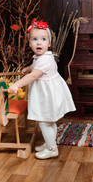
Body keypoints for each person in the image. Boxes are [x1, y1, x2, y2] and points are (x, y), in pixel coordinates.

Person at [8, 20, 76, 159]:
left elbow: (33, 75)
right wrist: (27, 68)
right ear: (30, 43)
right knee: (49, 121)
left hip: (47, 96)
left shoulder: (45, 60)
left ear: (49, 43)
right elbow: (34, 68)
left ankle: (52, 149)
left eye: (43, 39)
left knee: (45, 122)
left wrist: (17, 85)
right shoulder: (41, 57)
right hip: (48, 94)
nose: (39, 43)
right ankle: (50, 143)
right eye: (35, 39)